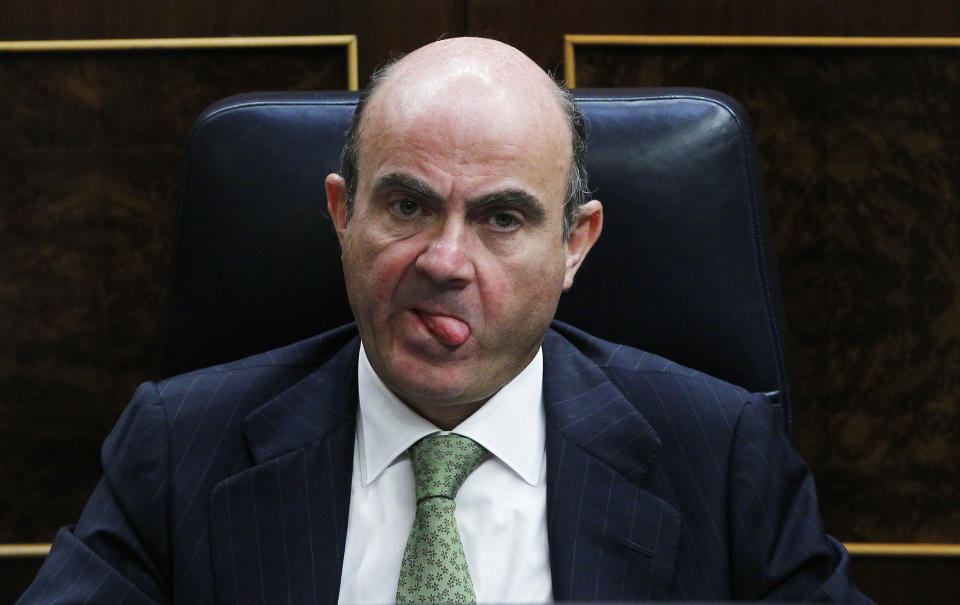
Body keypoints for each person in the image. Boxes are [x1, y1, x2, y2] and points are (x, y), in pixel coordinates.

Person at [19, 37, 873, 604]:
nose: (445, 260)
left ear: (575, 244)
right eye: (407, 204)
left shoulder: (721, 455)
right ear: (341, 215)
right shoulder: (178, 447)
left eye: (502, 218)